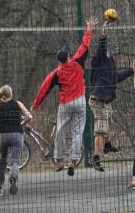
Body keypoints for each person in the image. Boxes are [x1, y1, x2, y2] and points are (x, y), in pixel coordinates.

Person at [31, 16, 98, 176]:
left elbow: (44, 88)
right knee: (77, 131)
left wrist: (35, 104)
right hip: (80, 102)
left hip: (65, 103)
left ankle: (60, 158)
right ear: (68, 57)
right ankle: (73, 160)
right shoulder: (77, 62)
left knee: (61, 130)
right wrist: (89, 29)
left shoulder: (56, 72)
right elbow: (84, 45)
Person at [89, 10, 135, 171]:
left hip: (105, 100)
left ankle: (108, 146)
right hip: (98, 99)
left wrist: (131, 70)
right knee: (100, 131)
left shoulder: (109, 64)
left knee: (104, 128)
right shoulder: (100, 58)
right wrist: (104, 29)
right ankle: (96, 158)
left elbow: (116, 77)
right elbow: (101, 46)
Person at [0, 85, 33, 197]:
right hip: (17, 134)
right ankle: (13, 178)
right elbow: (30, 116)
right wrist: (21, 123)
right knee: (15, 160)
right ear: (11, 94)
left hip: (3, 135)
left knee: (2, 161)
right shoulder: (18, 103)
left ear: (1, 94)